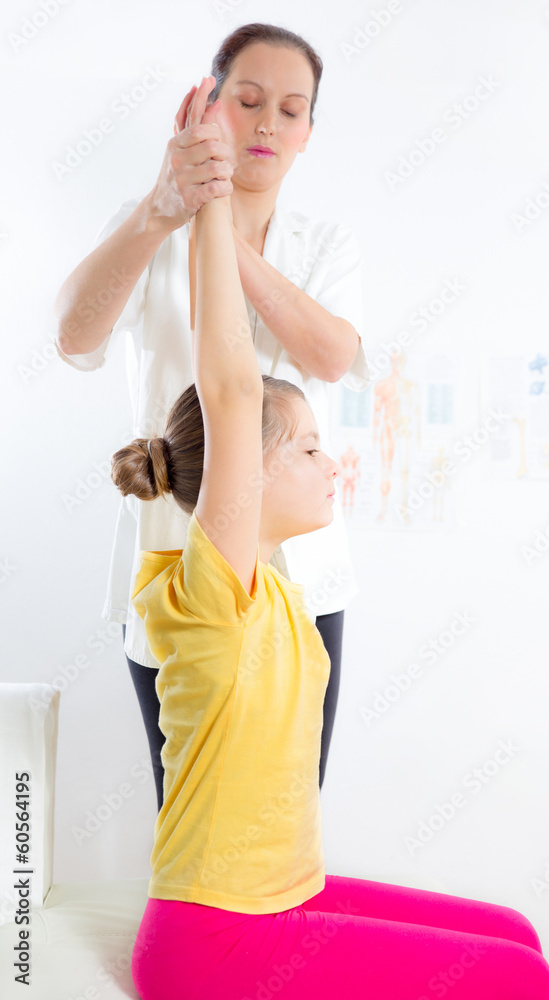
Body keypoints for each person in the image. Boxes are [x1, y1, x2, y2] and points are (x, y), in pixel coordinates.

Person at [109, 82, 549, 1000]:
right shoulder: (215, 589)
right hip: (214, 938)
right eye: (309, 448)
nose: (332, 462)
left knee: (515, 936)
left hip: (282, 899)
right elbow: (231, 387)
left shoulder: (279, 586)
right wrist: (210, 200)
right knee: (518, 979)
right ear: (244, 473)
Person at [53, 24, 371, 809]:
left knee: (288, 805)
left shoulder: (324, 245)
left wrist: (219, 229)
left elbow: (333, 356)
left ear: (307, 132)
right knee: (191, 799)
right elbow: (74, 338)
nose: (267, 124)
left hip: (298, 568)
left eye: (290, 110)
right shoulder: (149, 225)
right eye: (248, 100)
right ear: (207, 105)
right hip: (177, 551)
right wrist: (164, 212)